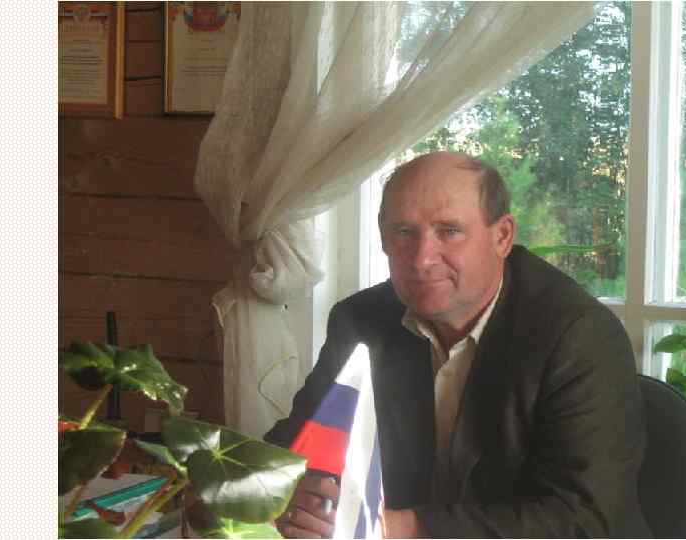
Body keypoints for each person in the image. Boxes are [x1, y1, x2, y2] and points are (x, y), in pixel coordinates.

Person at [265, 151, 651, 538]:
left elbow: (583, 520)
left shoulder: (578, 335)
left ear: (502, 236)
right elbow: (301, 442)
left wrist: (394, 528)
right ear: (383, 237)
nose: (422, 258)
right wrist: (289, 494)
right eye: (404, 232)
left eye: (449, 231)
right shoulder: (362, 320)